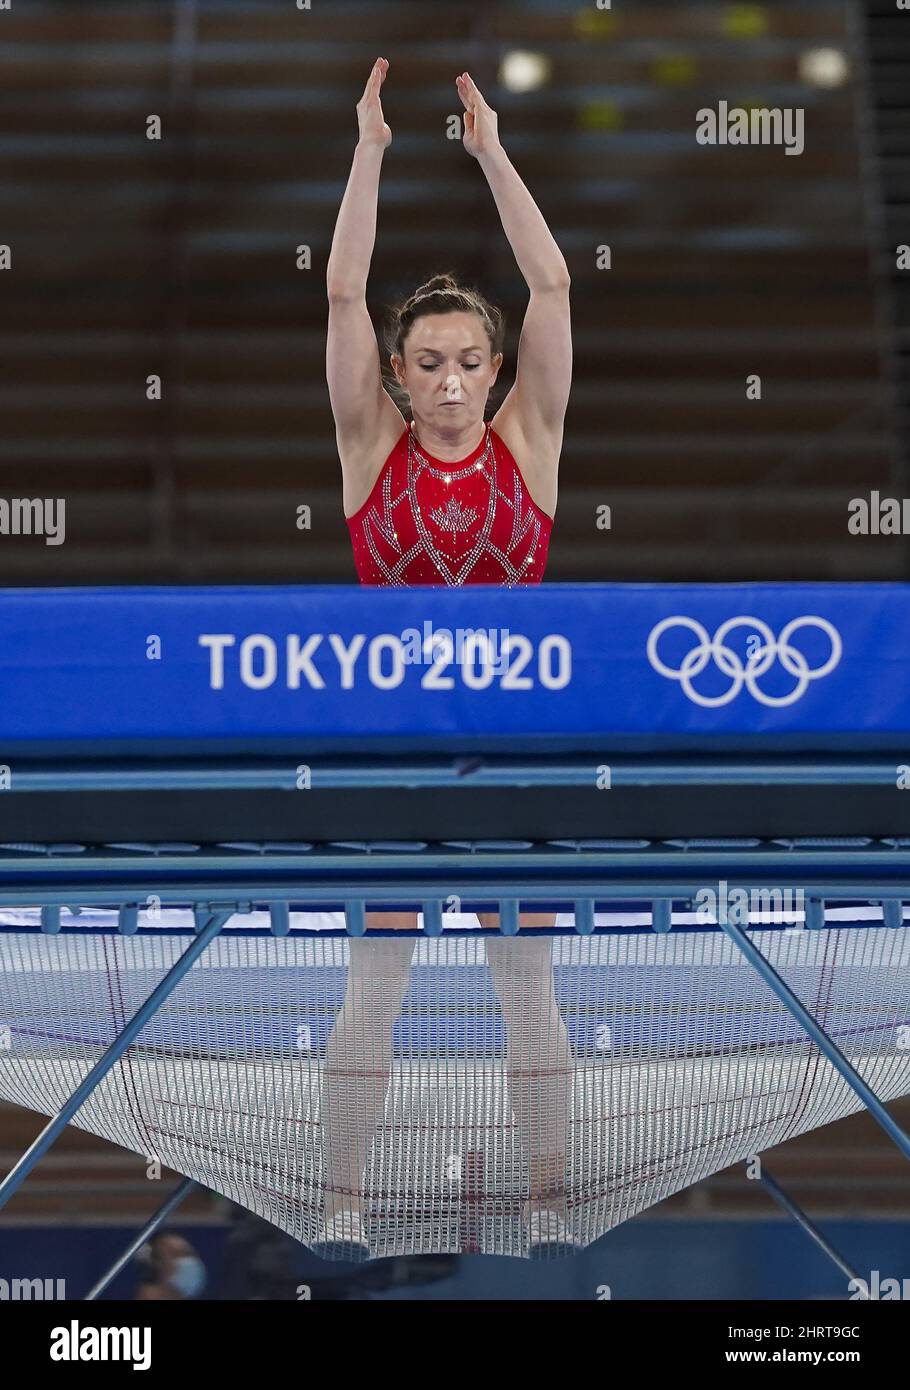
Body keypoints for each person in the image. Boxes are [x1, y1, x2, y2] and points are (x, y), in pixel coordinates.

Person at [319, 58, 574, 1258]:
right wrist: (370, 149)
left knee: (528, 988)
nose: (455, 379)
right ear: (398, 378)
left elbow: (553, 281)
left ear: (493, 370)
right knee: (377, 986)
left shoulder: (530, 435)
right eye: (429, 362)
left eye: (470, 359)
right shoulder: (372, 451)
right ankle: (345, 1195)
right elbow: (339, 297)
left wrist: (488, 155)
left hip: (511, 751)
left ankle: (548, 1189)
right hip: (395, 752)